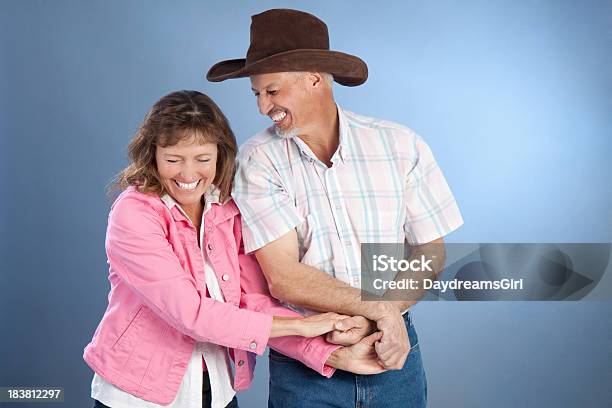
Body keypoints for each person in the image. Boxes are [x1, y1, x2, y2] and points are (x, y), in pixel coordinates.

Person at [207, 9, 464, 407]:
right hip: (307, 364)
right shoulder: (257, 162)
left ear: (313, 78)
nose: (262, 106)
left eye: (272, 91)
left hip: (393, 353)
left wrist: (385, 316)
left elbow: (429, 252)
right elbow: (284, 278)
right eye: (256, 93)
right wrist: (380, 311)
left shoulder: (400, 145)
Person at [83, 90, 385, 408]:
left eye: (202, 159)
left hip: (217, 391)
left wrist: (330, 352)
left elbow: (252, 301)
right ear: (153, 155)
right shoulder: (134, 213)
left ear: (220, 155)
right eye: (173, 160)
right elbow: (190, 313)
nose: (188, 174)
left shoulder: (226, 209)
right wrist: (302, 324)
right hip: (137, 394)